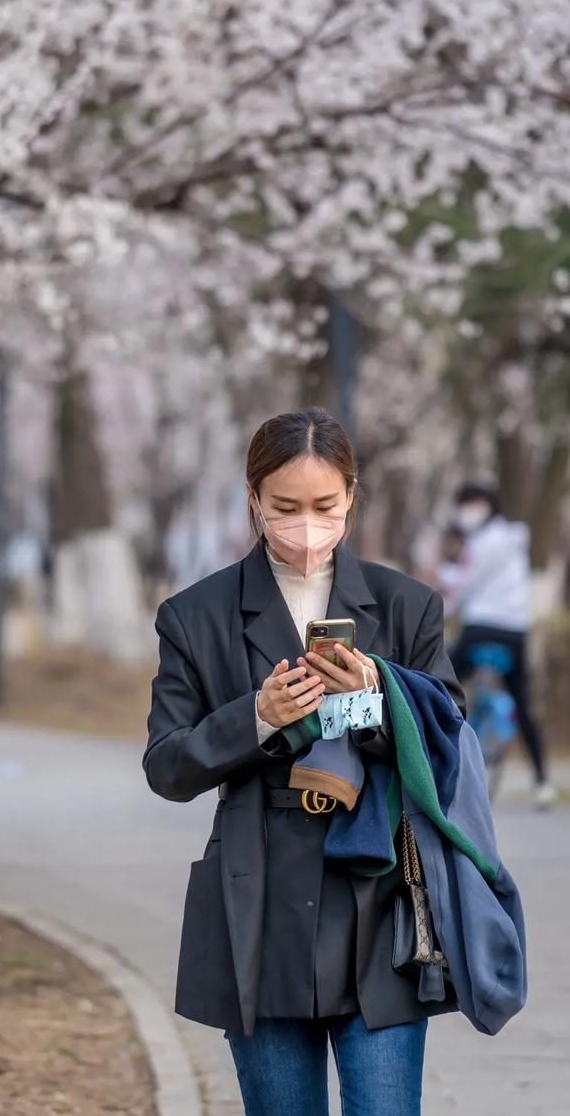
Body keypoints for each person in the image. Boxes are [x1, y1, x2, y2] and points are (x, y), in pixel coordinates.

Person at [142, 409, 469, 1116]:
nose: (306, 526)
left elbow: (449, 743)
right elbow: (166, 766)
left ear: (351, 494)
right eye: (285, 507)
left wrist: (378, 696)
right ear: (254, 498)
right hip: (258, 905)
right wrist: (258, 717)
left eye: (324, 505)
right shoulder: (195, 616)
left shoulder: (406, 605)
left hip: (381, 898)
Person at [442, 481, 554, 809]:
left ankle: (440, 756)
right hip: (515, 631)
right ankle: (542, 782)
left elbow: (464, 587)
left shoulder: (483, 543)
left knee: (441, 682)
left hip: (480, 627)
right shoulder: (514, 539)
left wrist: (441, 608)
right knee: (522, 702)